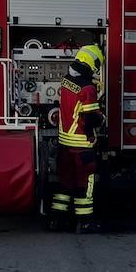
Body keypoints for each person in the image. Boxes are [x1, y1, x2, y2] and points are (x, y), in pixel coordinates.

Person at [50, 44, 106, 232]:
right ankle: (85, 222)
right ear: (93, 64)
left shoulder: (66, 81)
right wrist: (102, 117)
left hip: (65, 144)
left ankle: (57, 220)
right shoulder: (88, 88)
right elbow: (90, 118)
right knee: (85, 184)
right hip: (82, 145)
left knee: (64, 183)